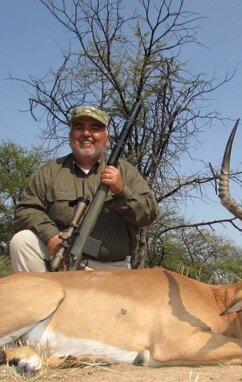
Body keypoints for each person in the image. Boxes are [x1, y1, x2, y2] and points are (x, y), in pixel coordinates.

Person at [9, 105, 158, 271]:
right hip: (61, 261)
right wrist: (50, 236)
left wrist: (121, 190)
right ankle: (39, 296)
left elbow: (149, 213)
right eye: (79, 128)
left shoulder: (125, 170)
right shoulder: (50, 171)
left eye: (95, 128)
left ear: (106, 138)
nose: (86, 134)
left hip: (111, 270)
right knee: (22, 241)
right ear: (70, 135)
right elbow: (25, 210)